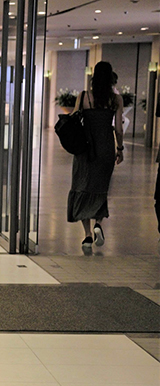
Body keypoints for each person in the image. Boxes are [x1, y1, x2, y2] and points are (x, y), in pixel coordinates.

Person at [67, 61, 124, 254]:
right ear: (110, 78)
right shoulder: (116, 100)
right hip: (106, 148)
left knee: (82, 186)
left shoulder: (84, 97)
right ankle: (98, 224)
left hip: (86, 150)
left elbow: (74, 118)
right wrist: (120, 149)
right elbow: (118, 128)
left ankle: (87, 236)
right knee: (100, 188)